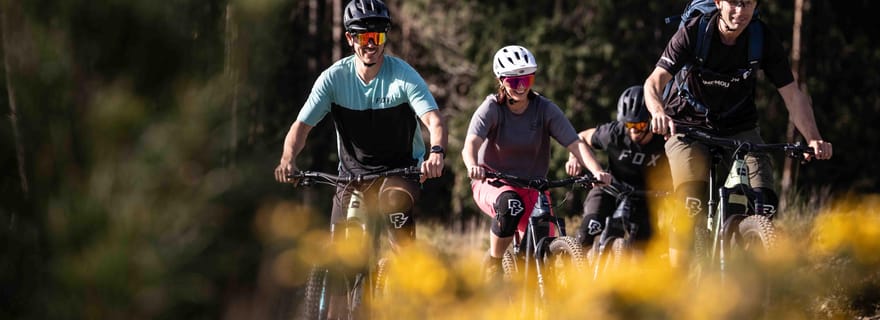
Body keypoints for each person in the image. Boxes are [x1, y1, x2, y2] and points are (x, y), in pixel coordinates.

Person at [643, 0, 833, 266]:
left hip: (739, 127)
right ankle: (678, 279)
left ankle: (752, 271)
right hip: (687, 126)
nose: (740, 11)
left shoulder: (761, 37)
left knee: (765, 201)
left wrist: (813, 137)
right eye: (733, 2)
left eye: (748, 4)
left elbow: (792, 95)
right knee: (689, 203)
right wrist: (658, 113)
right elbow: (654, 82)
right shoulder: (694, 31)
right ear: (718, 3)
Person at [273, 0, 447, 250]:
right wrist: (288, 158)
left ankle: (403, 267)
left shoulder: (404, 76)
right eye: (364, 37)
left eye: (377, 36)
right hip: (352, 174)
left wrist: (437, 152)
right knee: (340, 253)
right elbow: (301, 127)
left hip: (400, 170)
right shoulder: (333, 79)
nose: (371, 44)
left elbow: (434, 120)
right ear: (349, 38)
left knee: (393, 203)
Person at [462, 45, 611, 277]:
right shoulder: (491, 108)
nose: (521, 86)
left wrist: (596, 171)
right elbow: (470, 144)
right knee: (510, 205)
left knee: (542, 248)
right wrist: (473, 165)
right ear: (501, 80)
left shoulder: (545, 109)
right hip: (493, 182)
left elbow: (575, 143)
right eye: (514, 81)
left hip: (533, 186)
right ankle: (494, 263)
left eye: (527, 79)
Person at [566, 85, 671, 251]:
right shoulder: (615, 133)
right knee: (586, 234)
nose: (634, 130)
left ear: (651, 121)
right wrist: (574, 158)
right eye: (629, 125)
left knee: (645, 252)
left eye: (640, 125)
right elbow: (581, 137)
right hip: (610, 187)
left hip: (644, 197)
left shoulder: (663, 140)